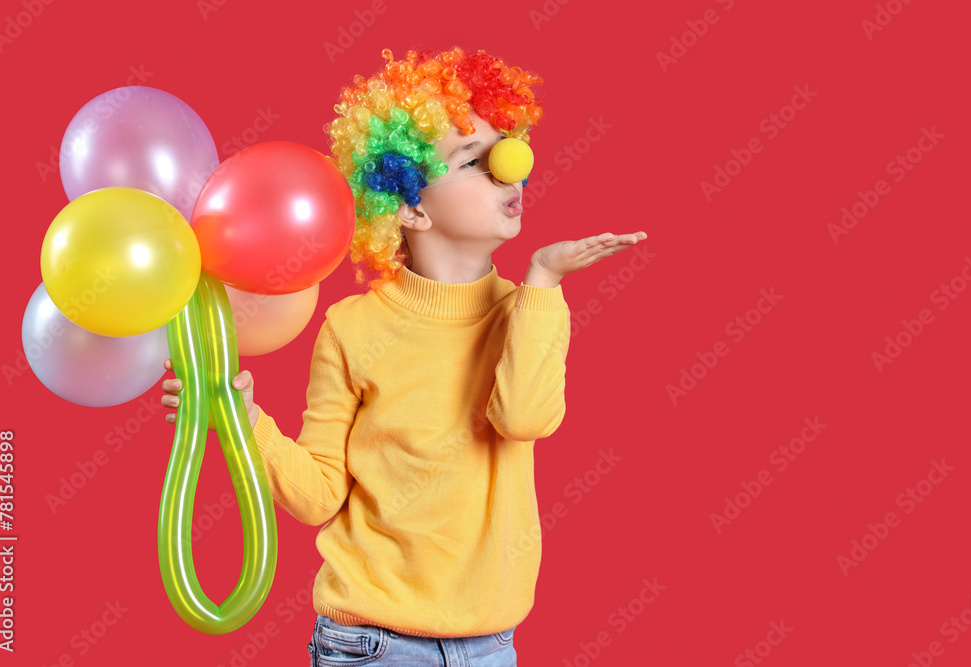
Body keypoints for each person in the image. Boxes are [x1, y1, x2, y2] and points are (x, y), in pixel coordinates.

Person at [161, 46, 647, 666]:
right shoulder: (353, 328)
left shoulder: (529, 310)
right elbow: (317, 498)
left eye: (507, 152)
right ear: (411, 206)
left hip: (492, 645)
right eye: (475, 161)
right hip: (369, 644)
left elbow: (523, 419)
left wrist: (545, 281)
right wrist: (243, 418)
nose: (511, 170)